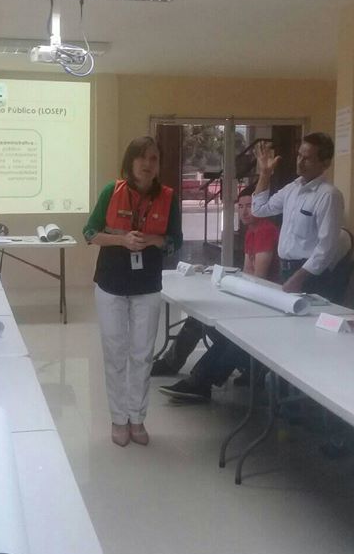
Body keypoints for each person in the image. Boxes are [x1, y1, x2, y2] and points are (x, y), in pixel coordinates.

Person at [84, 136, 182, 446]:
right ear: (130, 161)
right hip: (111, 284)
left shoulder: (168, 197)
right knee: (115, 353)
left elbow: (176, 241)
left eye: (154, 159)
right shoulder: (111, 192)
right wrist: (122, 240)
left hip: (147, 285)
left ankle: (137, 418)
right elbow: (90, 233)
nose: (147, 164)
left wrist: (153, 240)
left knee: (142, 354)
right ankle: (118, 419)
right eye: (142, 158)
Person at [151, 186, 278, 378]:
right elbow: (247, 272)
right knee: (200, 318)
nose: (244, 211)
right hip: (254, 296)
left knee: (209, 321)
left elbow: (258, 277)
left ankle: (193, 373)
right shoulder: (251, 231)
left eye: (250, 206)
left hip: (266, 304)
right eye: (241, 206)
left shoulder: (265, 230)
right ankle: (178, 366)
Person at [250, 132, 345, 297]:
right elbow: (259, 209)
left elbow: (326, 247)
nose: (300, 162)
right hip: (286, 269)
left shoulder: (328, 195)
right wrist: (265, 174)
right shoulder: (292, 189)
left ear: (325, 163)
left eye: (307, 158)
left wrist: (299, 278)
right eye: (299, 156)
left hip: (310, 275)